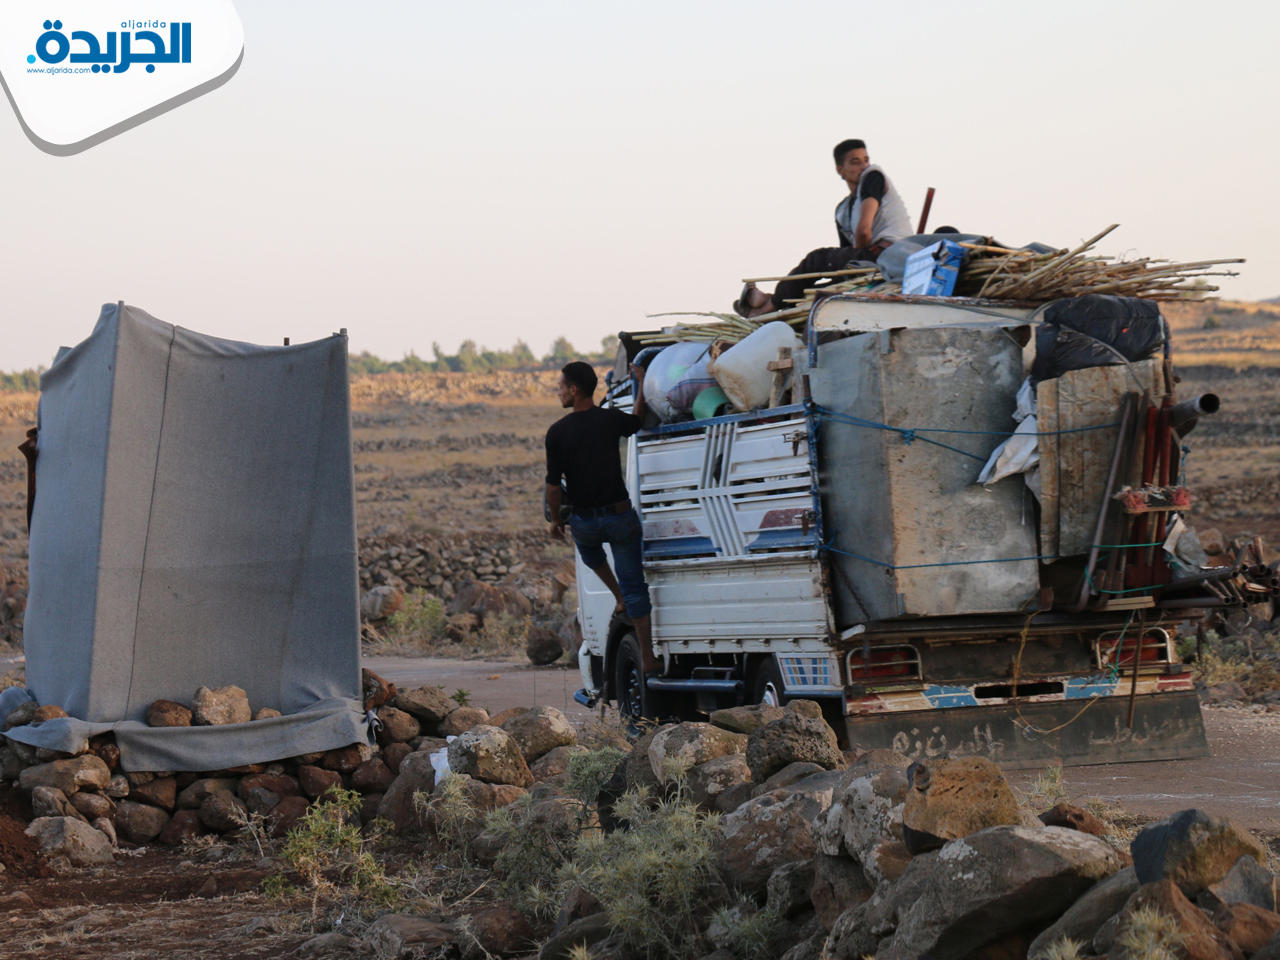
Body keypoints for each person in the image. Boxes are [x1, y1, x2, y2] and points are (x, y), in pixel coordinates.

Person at [545, 360, 658, 673]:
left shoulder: (557, 432)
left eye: (560, 387)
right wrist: (642, 387)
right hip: (619, 517)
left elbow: (553, 486)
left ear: (574, 389)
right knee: (636, 587)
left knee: (592, 555)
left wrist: (556, 520)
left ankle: (616, 594)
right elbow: (637, 421)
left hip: (584, 521)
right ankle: (648, 657)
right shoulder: (609, 421)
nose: (558, 393)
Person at [735, 139, 914, 317]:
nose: (864, 166)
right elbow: (845, 253)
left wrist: (857, 261)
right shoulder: (843, 210)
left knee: (817, 259)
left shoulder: (873, 176)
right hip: (868, 257)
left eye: (865, 159)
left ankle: (767, 307)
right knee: (819, 290)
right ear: (840, 170)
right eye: (855, 161)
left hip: (888, 254)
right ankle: (770, 302)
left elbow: (863, 231)